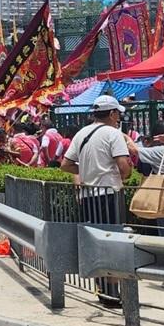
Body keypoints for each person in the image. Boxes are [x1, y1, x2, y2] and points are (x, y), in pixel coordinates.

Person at [61, 94, 133, 307]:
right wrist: (126, 174)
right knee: (113, 243)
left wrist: (85, 170)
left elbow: (65, 164)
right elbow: (123, 167)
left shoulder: (81, 133)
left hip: (87, 198)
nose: (119, 117)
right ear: (111, 113)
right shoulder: (113, 133)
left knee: (96, 243)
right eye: (117, 113)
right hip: (109, 196)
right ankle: (113, 293)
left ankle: (103, 290)